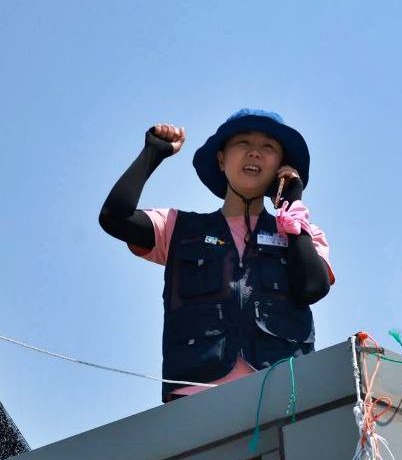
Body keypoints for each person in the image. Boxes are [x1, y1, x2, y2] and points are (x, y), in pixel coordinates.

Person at [99, 109, 333, 401]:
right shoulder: (178, 229)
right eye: (243, 143)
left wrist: (292, 205)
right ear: (221, 159)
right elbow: (114, 218)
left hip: (284, 396)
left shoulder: (306, 236)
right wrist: (152, 154)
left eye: (268, 147)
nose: (255, 153)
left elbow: (312, 287)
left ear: (281, 167)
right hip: (194, 402)